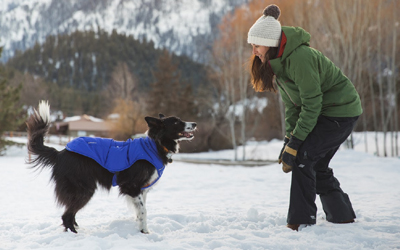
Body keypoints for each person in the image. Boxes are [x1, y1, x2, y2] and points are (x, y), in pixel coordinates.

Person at [247, 4, 362, 231]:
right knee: (315, 164)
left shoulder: (299, 58)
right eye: (252, 46)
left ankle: (300, 222)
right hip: (325, 112)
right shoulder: (278, 64)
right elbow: (293, 107)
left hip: (340, 111)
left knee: (303, 158)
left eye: (257, 45)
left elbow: (312, 104)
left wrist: (297, 144)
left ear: (270, 43)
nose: (254, 52)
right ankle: (342, 217)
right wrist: (289, 140)